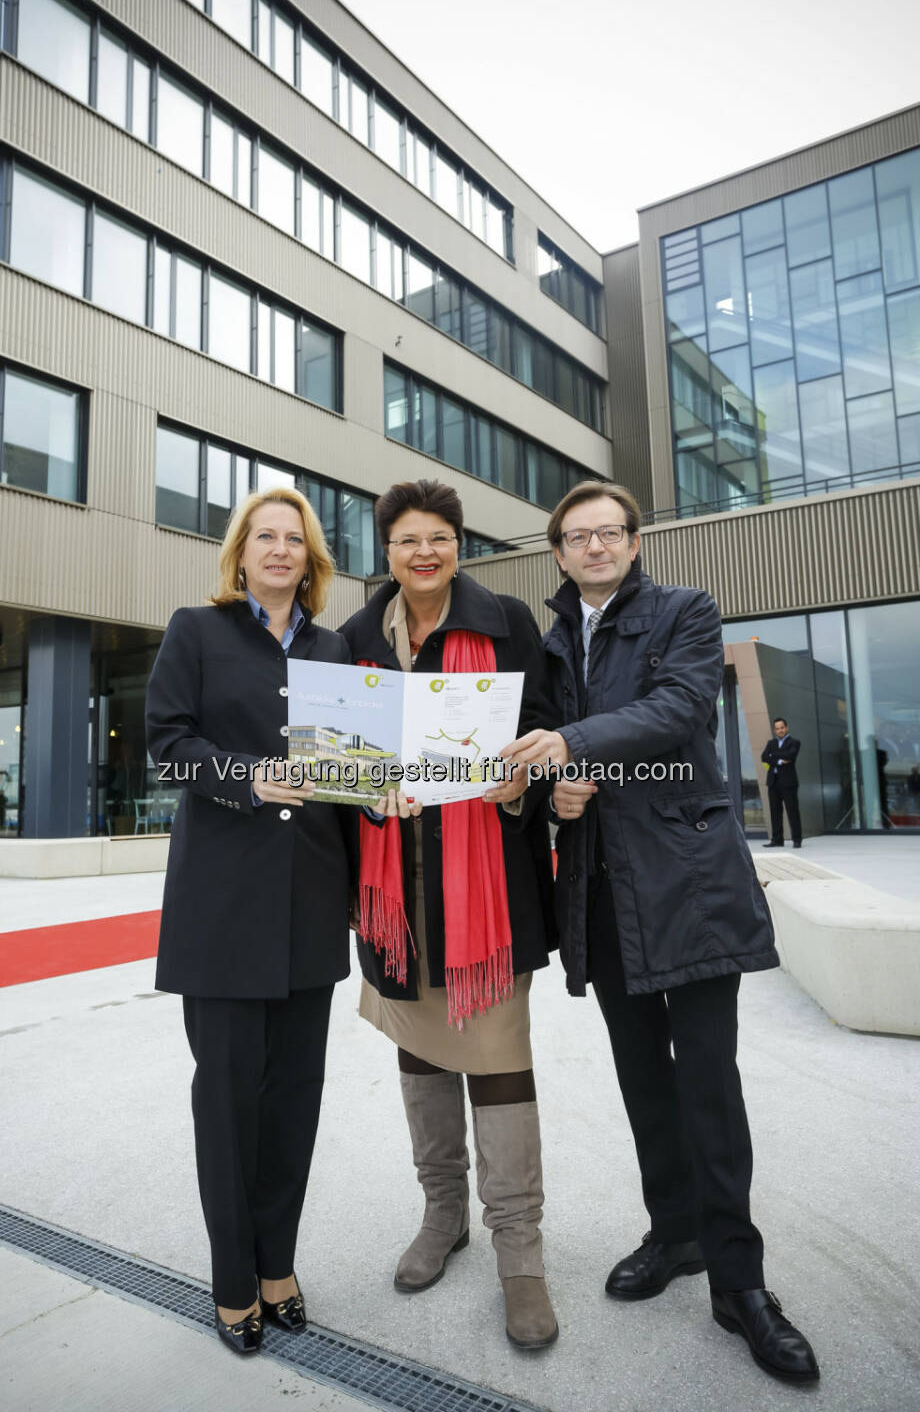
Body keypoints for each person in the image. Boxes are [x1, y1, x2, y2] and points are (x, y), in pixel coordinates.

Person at [502, 480, 820, 1385]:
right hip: (600, 890)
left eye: (612, 533)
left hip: (686, 879)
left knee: (709, 1082)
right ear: (557, 552)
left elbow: (680, 713)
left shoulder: (686, 611)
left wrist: (575, 747)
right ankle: (675, 1233)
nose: (597, 547)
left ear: (634, 544)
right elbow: (544, 744)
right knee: (644, 1079)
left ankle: (740, 1281)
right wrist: (558, 782)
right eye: (579, 536)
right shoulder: (555, 641)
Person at [338, 479, 559, 1349]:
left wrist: (519, 781)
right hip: (396, 894)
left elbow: (540, 730)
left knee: (500, 1064)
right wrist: (364, 788)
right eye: (405, 542)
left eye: (438, 538)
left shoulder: (508, 622)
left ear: (459, 545)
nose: (423, 554)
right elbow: (337, 758)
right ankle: (443, 1215)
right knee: (421, 1057)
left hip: (486, 894)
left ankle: (519, 1251)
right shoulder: (357, 638)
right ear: (386, 553)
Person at [146, 488, 356, 1356]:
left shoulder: (336, 648)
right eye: (264, 537)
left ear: (311, 559)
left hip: (310, 904)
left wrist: (386, 795)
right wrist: (247, 776)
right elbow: (166, 744)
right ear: (240, 552)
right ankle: (234, 1279)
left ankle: (280, 1267)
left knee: (294, 1101)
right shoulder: (196, 630)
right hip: (223, 907)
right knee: (228, 1102)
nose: (280, 550)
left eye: (294, 539)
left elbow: (350, 767)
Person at [761, 718, 802, 848]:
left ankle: (797, 839)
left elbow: (790, 755)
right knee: (775, 812)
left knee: (792, 811)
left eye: (782, 727)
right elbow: (764, 757)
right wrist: (779, 760)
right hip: (773, 782)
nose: (780, 730)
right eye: (777, 728)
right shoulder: (771, 743)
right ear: (774, 730)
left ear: (786, 727)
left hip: (788, 783)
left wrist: (773, 756)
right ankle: (777, 840)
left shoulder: (795, 742)